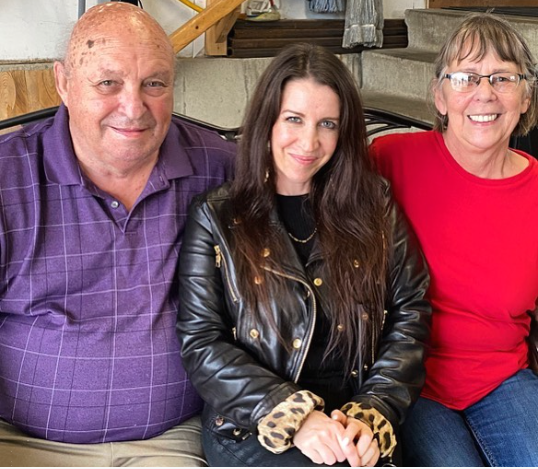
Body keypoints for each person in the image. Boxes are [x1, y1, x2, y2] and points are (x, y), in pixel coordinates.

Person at [0, 3, 234, 467]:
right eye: (108, 83)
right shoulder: (8, 177)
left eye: (155, 84)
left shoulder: (221, 170)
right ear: (63, 83)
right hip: (21, 442)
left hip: (173, 440)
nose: (133, 108)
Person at [177, 43, 431, 467]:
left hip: (353, 418)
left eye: (327, 124)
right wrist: (294, 415)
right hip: (254, 425)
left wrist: (374, 410)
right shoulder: (216, 217)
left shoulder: (373, 204)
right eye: (293, 119)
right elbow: (201, 342)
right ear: (267, 121)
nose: (309, 142)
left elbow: (411, 311)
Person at [370, 13, 538, 467]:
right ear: (440, 95)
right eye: (465, 77)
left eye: (503, 77)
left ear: (526, 97)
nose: (485, 93)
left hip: (503, 378)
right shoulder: (389, 160)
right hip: (408, 380)